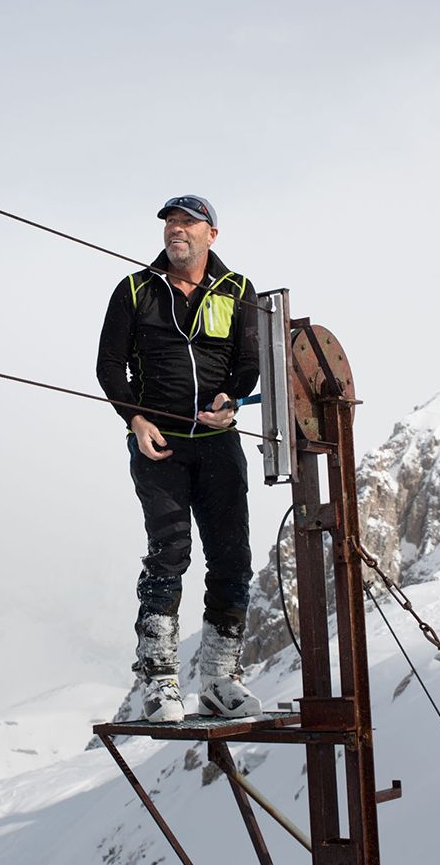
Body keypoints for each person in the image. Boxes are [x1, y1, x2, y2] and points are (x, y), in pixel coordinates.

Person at [95, 194, 263, 723]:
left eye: (188, 223)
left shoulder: (237, 290)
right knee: (169, 554)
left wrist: (231, 399)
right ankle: (159, 682)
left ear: (212, 234)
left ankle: (219, 677)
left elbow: (249, 361)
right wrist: (135, 420)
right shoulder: (135, 289)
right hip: (158, 442)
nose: (176, 230)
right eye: (170, 223)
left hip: (217, 441)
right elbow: (108, 365)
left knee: (232, 556)